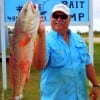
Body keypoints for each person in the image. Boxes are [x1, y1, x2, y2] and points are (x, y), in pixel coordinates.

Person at [33, 4, 99, 100]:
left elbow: (87, 64)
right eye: (55, 16)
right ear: (51, 18)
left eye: (63, 16)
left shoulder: (78, 39)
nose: (59, 19)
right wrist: (42, 35)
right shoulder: (45, 40)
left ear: (69, 19)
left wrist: (95, 85)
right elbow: (38, 65)